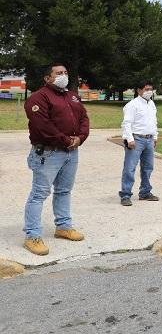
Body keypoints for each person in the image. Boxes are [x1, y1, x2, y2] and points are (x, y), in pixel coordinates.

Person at [22, 63, 89, 256]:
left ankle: (63, 227)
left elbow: (84, 118)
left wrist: (80, 138)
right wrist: (66, 140)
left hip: (71, 152)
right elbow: (43, 126)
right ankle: (32, 236)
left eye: (66, 72)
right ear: (47, 78)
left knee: (64, 191)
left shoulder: (72, 96)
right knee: (39, 194)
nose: (63, 75)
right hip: (49, 153)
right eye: (59, 73)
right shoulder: (38, 98)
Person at [119, 81, 160, 206]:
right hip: (136, 139)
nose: (149, 91)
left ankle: (145, 192)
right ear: (139, 90)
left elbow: (154, 121)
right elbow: (126, 123)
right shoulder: (133, 105)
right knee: (130, 168)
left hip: (149, 139)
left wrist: (155, 136)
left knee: (148, 168)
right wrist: (129, 139)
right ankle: (125, 194)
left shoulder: (151, 104)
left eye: (151, 89)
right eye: (146, 89)